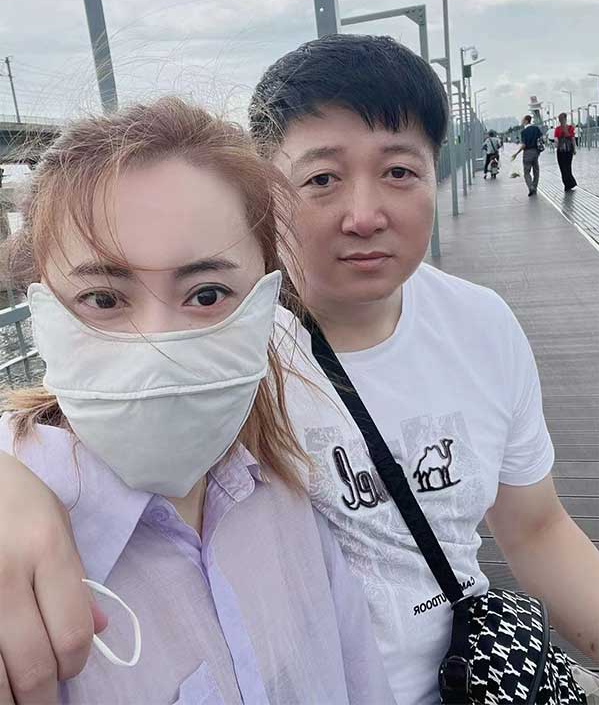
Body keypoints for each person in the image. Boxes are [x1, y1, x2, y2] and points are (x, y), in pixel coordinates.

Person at [1, 36, 599, 705]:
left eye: (399, 171)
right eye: (321, 179)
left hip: (470, 675)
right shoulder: (223, 351)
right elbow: (72, 412)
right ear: (268, 196)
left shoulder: (483, 326)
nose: (364, 215)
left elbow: (538, 528)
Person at [0, 98, 394, 705]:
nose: (158, 347)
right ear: (43, 309)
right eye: (103, 299)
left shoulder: (288, 497)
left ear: (265, 302)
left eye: (208, 294)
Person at [511, 114, 543, 196]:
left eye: (523, 120)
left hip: (527, 153)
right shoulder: (536, 129)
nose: (522, 121)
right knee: (536, 170)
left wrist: (516, 153)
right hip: (536, 152)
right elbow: (540, 139)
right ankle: (535, 187)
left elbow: (524, 145)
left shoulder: (524, 132)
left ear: (526, 121)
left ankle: (531, 187)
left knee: (526, 172)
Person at [555, 112, 578, 191]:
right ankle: (569, 183)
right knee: (567, 167)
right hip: (567, 150)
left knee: (564, 167)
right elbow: (572, 139)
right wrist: (574, 149)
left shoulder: (560, 128)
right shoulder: (570, 128)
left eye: (561, 119)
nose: (560, 120)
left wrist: (556, 143)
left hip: (562, 150)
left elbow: (557, 139)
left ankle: (568, 184)